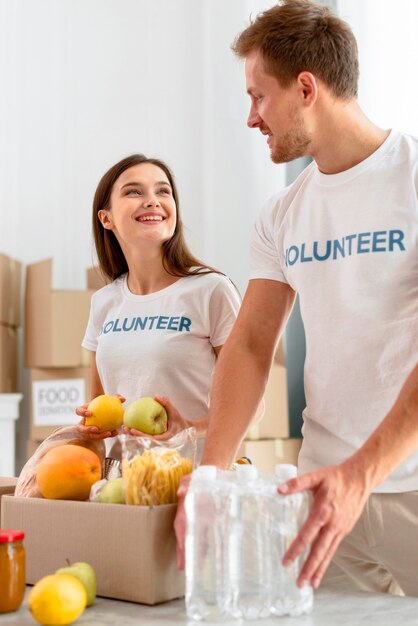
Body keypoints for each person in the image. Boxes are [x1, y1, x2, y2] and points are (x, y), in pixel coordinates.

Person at [174, 0, 418, 597]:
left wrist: (362, 474)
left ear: (305, 88)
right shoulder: (282, 213)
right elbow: (252, 344)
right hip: (319, 492)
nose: (251, 118)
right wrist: (210, 475)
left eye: (258, 96)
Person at [75, 153, 241, 460]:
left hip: (197, 477)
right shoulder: (104, 302)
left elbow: (251, 405)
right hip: (125, 482)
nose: (152, 200)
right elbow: (99, 401)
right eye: (134, 191)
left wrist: (190, 427)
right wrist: (93, 426)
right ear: (106, 218)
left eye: (163, 191)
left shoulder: (211, 290)